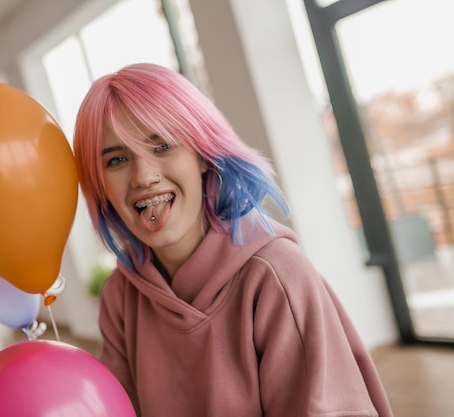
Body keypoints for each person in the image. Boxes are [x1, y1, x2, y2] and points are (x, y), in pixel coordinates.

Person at [72, 62, 393, 417]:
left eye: (162, 146)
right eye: (117, 159)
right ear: (100, 187)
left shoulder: (277, 274)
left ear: (203, 157)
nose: (144, 176)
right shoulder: (121, 296)